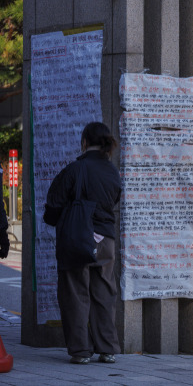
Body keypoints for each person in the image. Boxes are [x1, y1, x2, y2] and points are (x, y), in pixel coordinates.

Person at [43, 122, 121, 365]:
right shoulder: (112, 172)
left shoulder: (75, 169)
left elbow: (53, 205)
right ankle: (107, 349)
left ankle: (80, 351)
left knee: (75, 292)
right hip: (106, 241)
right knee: (104, 293)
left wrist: (56, 219)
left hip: (79, 239)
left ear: (84, 142)